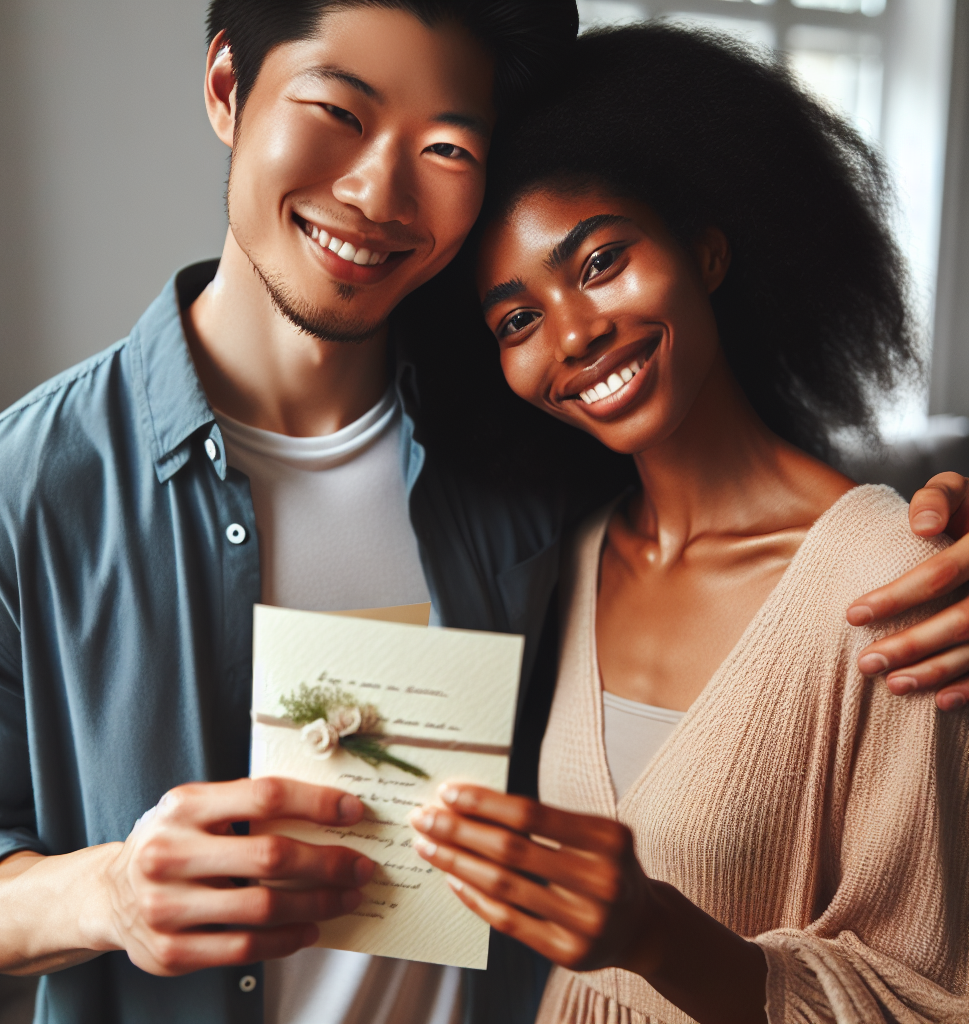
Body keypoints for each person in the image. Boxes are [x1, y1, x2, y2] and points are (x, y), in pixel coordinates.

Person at [0, 4, 967, 1024]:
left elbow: (748, 504)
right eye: (336, 110)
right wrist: (100, 893)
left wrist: (933, 525)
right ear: (225, 87)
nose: (376, 191)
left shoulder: (528, 475)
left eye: (444, 145)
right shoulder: (8, 498)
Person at [409, 24, 969, 1023]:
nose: (575, 335)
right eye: (516, 319)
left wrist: (655, 936)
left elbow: (925, 996)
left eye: (599, 261)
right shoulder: (570, 561)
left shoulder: (891, 579)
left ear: (706, 249)